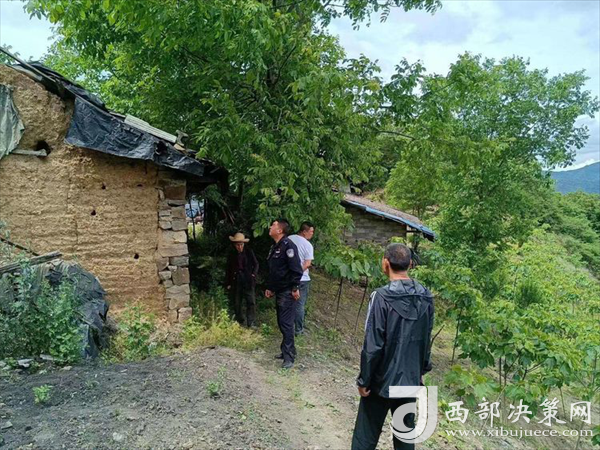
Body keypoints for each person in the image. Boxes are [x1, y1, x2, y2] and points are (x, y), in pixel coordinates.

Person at [351, 243, 435, 450]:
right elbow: (426, 338)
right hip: (409, 379)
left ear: (385, 263)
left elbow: (373, 344)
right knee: (405, 437)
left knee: (366, 436)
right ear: (410, 264)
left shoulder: (381, 297)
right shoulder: (426, 296)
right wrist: (421, 371)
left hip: (380, 381)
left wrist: (364, 379)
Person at [265, 219, 304, 369]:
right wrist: (270, 287)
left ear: (280, 230)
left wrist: (295, 288)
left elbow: (296, 269)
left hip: (287, 291)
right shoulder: (276, 247)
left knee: (286, 324)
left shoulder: (288, 246)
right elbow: (275, 271)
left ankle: (289, 357)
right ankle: (287, 350)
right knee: (282, 323)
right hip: (279, 290)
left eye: (273, 225)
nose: (270, 227)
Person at [225, 232, 259, 327]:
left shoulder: (249, 252)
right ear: (235, 245)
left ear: (244, 244)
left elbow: (256, 264)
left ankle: (251, 322)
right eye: (237, 245)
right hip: (236, 279)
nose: (239, 247)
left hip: (248, 279)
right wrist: (228, 282)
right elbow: (228, 269)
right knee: (237, 302)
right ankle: (240, 320)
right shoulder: (232, 254)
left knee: (251, 301)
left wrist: (253, 274)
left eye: (241, 245)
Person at [288, 221, 315, 336]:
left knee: (287, 303)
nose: (312, 234)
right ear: (304, 231)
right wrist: (298, 272)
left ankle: (287, 326)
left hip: (287, 277)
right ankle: (298, 330)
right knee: (299, 305)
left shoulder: (288, 239)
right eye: (311, 231)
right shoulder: (307, 245)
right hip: (302, 278)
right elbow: (307, 263)